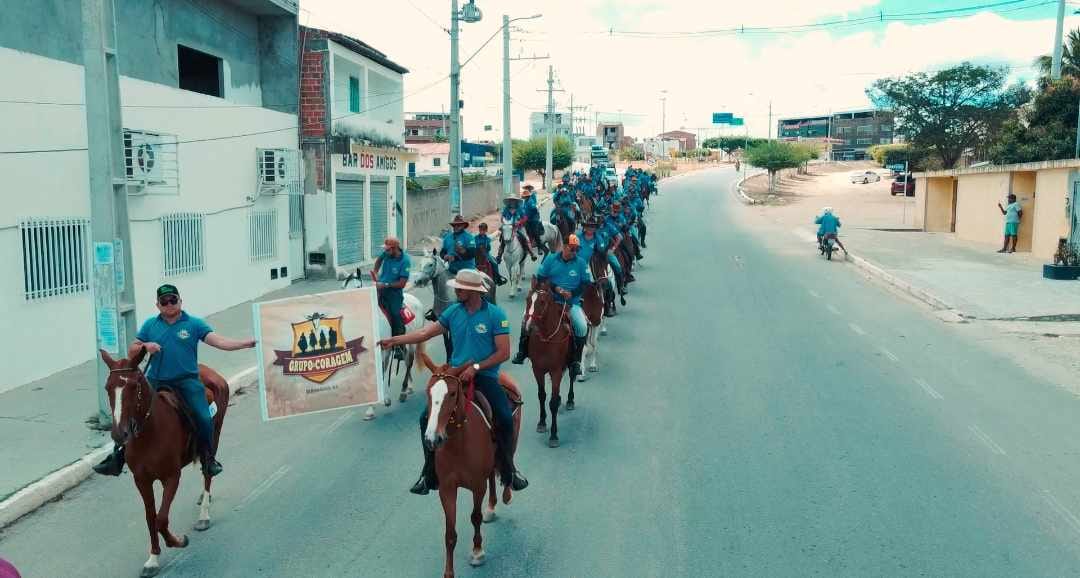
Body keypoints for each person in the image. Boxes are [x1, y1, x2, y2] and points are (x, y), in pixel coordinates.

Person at [377, 269, 528, 495]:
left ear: (473, 291)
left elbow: (503, 352)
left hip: (485, 376)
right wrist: (394, 340)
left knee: (505, 418)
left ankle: (509, 470)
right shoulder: (453, 312)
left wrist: (476, 367)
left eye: (459, 288)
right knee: (424, 418)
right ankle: (428, 474)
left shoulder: (496, 315)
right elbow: (425, 333)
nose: (455, 291)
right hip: (454, 375)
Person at [93, 284, 256, 477]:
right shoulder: (150, 325)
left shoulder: (194, 324)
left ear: (180, 301)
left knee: (204, 417)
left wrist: (245, 343)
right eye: (164, 301)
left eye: (173, 300)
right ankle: (117, 457)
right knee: (128, 410)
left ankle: (207, 458)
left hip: (187, 381)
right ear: (158, 305)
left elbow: (219, 341)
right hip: (154, 380)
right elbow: (132, 350)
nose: (169, 304)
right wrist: (146, 345)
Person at [511, 235, 593, 375]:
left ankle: (576, 361)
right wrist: (556, 289)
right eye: (572, 249)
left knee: (582, 326)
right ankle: (522, 352)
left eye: (576, 250)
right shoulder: (551, 259)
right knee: (526, 318)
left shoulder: (581, 263)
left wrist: (572, 293)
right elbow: (541, 278)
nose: (574, 252)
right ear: (564, 246)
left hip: (571, 303)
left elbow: (586, 283)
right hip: (550, 301)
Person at [373, 237, 411, 361]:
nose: (385, 252)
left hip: (394, 293)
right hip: (379, 288)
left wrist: (386, 285)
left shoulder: (405, 261)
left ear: (394, 249)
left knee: (395, 315)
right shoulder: (387, 253)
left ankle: (400, 346)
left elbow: (402, 283)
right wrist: (375, 272)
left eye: (388, 250)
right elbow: (379, 260)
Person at [497, 196, 535, 262]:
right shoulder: (506, 209)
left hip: (519, 227)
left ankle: (532, 253)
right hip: (508, 228)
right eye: (511, 200)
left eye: (513, 200)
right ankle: (499, 255)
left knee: (525, 238)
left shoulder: (520, 209)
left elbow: (525, 218)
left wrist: (519, 222)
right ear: (509, 201)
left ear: (516, 201)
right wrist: (505, 223)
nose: (512, 202)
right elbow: (502, 218)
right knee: (503, 239)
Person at [474, 222, 508, 286]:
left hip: (486, 254)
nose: (482, 231)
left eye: (483, 230)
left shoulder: (487, 238)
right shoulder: (475, 238)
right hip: (477, 254)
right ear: (479, 230)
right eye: (481, 230)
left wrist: (486, 248)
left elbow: (489, 248)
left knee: (494, 263)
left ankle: (498, 279)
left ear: (486, 230)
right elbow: (474, 246)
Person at [521, 186, 548, 254]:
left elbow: (534, 209)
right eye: (523, 197)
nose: (524, 197)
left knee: (535, 233)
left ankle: (539, 248)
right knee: (524, 231)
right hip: (527, 219)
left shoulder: (530, 201)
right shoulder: (525, 202)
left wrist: (528, 216)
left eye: (525, 196)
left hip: (533, 219)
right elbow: (524, 211)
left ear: (527, 196)